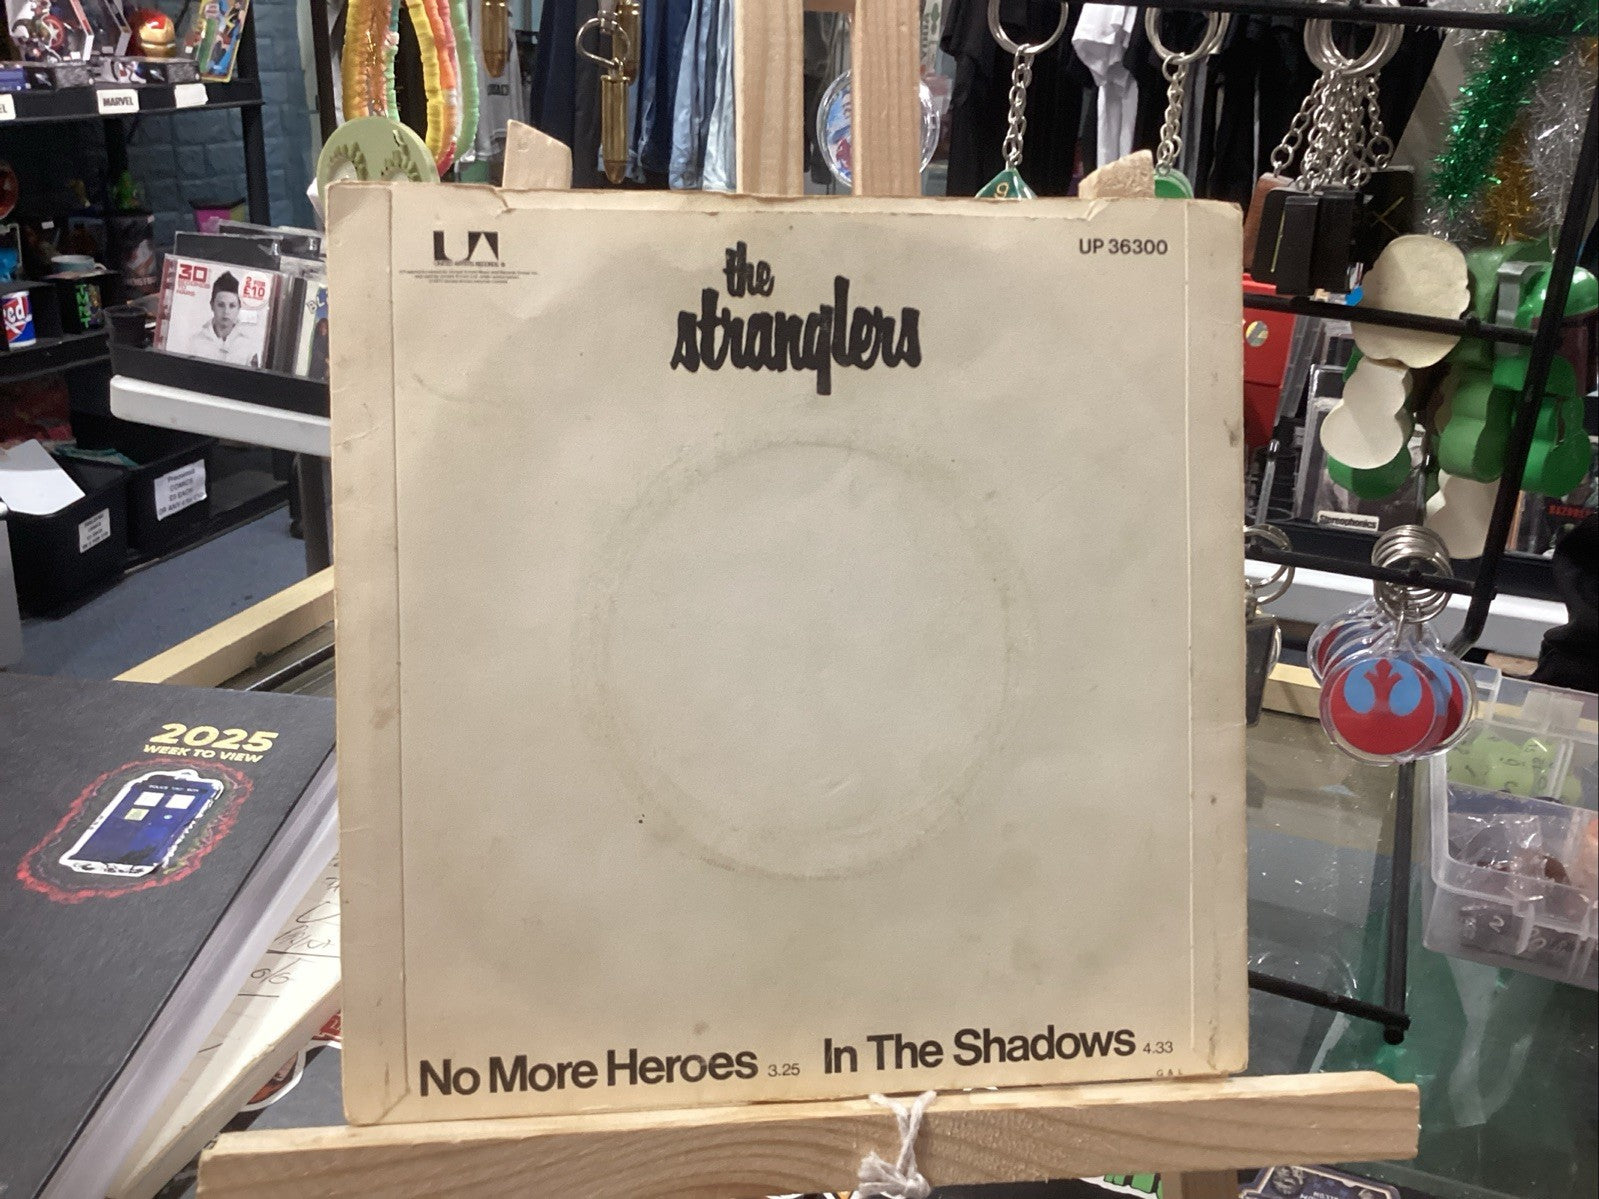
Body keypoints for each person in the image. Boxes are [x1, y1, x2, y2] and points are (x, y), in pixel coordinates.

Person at [188, 271, 258, 365]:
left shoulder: (249, 346)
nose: (226, 311)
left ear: (239, 308)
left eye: (232, 306)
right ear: (212, 305)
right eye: (221, 305)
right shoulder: (195, 342)